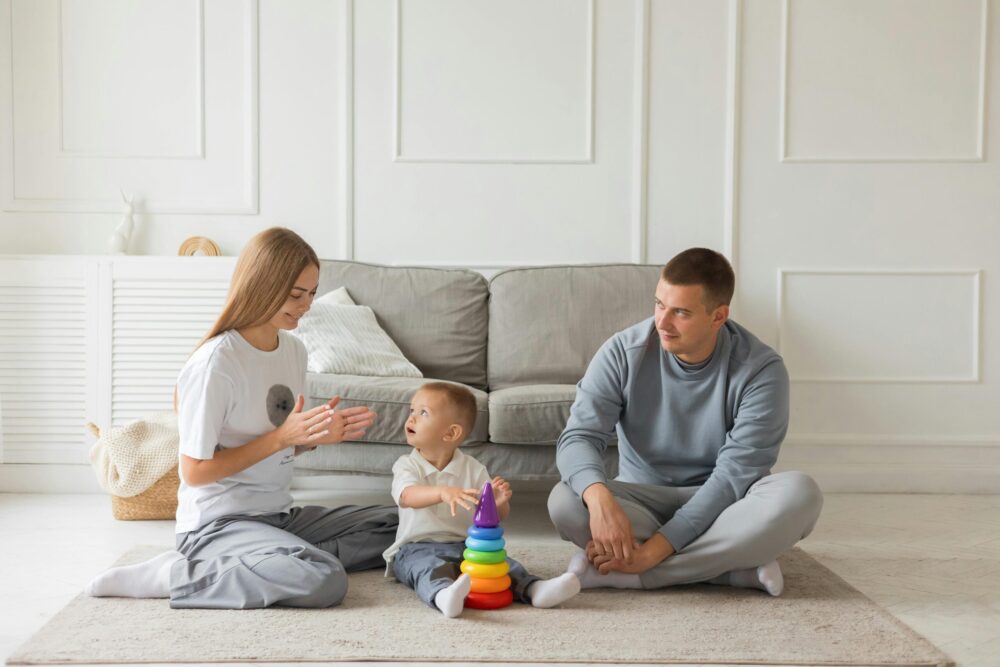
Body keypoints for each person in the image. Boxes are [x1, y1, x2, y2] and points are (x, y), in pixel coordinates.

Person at [86, 227, 399, 609]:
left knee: (401, 525)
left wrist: (311, 437)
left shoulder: (294, 351)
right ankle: (176, 574)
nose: (307, 305)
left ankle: (274, 557)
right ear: (262, 284)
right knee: (323, 579)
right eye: (296, 293)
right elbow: (195, 471)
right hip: (218, 525)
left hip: (277, 516)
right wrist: (284, 438)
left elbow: (276, 443)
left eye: (312, 293)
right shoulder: (216, 363)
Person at [548, 248, 823, 596]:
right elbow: (578, 438)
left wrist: (652, 554)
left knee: (801, 494)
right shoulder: (622, 351)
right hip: (641, 500)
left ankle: (637, 574)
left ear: (718, 316)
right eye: (659, 305)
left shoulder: (761, 370)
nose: (662, 322)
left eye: (680, 312)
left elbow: (732, 477)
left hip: (726, 504)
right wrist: (599, 499)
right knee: (565, 500)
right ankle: (731, 571)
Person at [385, 382, 580, 618]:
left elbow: (493, 519)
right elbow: (407, 496)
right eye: (411, 410)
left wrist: (497, 504)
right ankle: (443, 595)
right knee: (429, 569)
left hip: (466, 544)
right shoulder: (406, 465)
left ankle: (534, 589)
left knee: (504, 565)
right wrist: (442, 492)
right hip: (416, 547)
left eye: (423, 412)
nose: (412, 418)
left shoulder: (473, 469)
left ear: (451, 433)